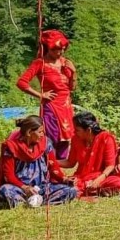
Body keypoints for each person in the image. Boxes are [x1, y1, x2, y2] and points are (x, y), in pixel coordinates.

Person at [17, 29, 77, 160]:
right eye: (55, 49)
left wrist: (73, 73)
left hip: (65, 106)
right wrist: (40, 95)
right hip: (51, 107)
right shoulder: (40, 63)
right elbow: (21, 83)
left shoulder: (65, 62)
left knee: (66, 139)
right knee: (52, 137)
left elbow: (71, 88)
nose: (59, 52)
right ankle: (47, 165)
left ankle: (58, 169)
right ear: (47, 48)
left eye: (62, 49)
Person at [0, 115, 76, 209]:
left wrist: (65, 179)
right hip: (21, 189)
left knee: (70, 191)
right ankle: (31, 202)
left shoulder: (45, 143)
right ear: (29, 132)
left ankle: (35, 201)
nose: (42, 134)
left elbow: (53, 166)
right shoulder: (12, 147)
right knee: (5, 190)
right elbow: (8, 175)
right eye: (40, 132)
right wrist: (25, 188)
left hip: (42, 188)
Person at [66, 111, 120, 195]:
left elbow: (110, 166)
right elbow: (70, 163)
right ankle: (88, 189)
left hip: (101, 176)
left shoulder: (106, 138)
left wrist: (98, 180)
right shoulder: (75, 139)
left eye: (77, 130)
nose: (74, 132)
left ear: (88, 130)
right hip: (81, 177)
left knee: (118, 182)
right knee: (61, 181)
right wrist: (51, 161)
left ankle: (85, 189)